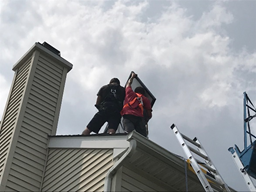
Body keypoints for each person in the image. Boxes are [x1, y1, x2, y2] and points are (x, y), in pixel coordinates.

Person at [121, 72, 152, 137]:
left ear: (135, 91)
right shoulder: (145, 99)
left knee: (129, 135)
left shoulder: (130, 93)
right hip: (139, 118)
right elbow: (149, 113)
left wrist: (132, 77)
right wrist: (146, 120)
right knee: (143, 138)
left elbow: (128, 84)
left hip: (128, 115)